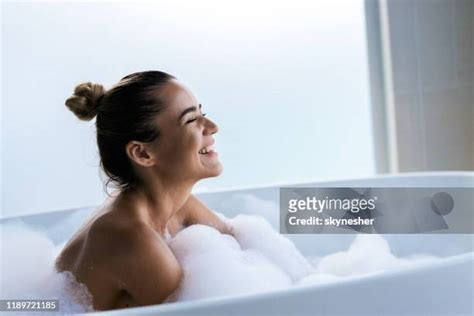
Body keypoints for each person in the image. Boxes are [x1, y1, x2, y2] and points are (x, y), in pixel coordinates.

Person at [55, 71, 232, 311]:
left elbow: (242, 245)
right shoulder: (131, 238)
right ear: (142, 153)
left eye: (203, 114)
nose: (212, 127)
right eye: (191, 120)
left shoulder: (176, 204)